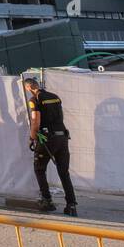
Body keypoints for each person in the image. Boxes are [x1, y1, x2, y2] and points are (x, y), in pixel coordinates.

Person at [22, 72, 77, 215]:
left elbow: (35, 121)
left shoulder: (35, 100)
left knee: (39, 168)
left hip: (47, 138)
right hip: (63, 137)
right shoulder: (55, 97)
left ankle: (47, 201)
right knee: (64, 172)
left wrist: (32, 138)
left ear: (29, 88)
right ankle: (71, 205)